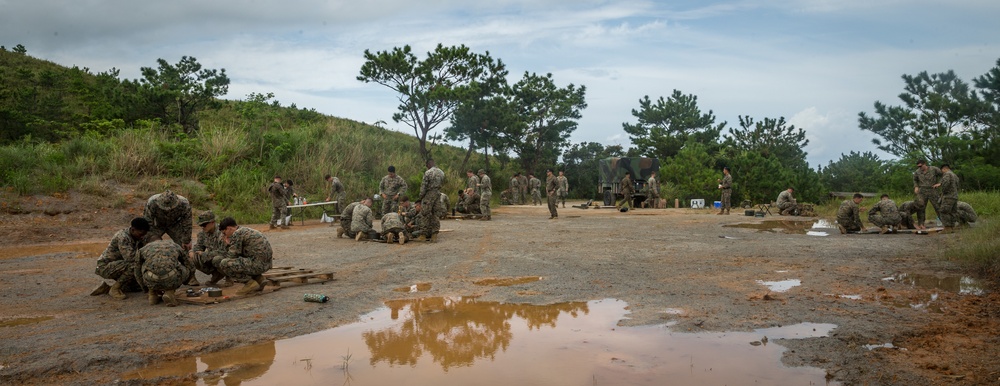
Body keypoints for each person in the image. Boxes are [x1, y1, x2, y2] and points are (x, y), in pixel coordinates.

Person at [143, 190, 195, 285]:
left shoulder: (184, 203)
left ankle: (191, 276)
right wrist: (149, 239)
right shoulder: (152, 202)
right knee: (149, 246)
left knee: (184, 248)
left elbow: (187, 222)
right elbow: (148, 222)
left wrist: (186, 240)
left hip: (175, 225)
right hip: (158, 224)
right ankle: (149, 274)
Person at [92, 217, 150, 300]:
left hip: (118, 265)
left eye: (144, 234)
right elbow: (131, 258)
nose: (142, 237)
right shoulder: (123, 237)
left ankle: (105, 288)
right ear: (133, 229)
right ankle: (114, 289)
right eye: (141, 234)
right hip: (105, 266)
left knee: (138, 287)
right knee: (134, 265)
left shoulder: (136, 236)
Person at [217, 217, 273, 296]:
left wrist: (227, 245)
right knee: (243, 259)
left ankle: (249, 283)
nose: (224, 235)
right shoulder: (245, 230)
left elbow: (231, 256)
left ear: (229, 228)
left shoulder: (237, 234)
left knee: (225, 264)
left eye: (224, 232)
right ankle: (259, 279)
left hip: (258, 265)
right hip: (266, 264)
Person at [138, 240, 189, 307]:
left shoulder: (143, 249)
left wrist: (145, 287)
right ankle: (169, 292)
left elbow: (137, 270)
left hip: (150, 278)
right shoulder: (175, 245)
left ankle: (152, 294)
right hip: (170, 277)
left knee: (144, 266)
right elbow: (189, 264)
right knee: (184, 268)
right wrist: (186, 280)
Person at [190, 211, 231, 288]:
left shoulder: (222, 232)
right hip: (211, 257)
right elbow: (198, 246)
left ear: (212, 222)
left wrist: (204, 254)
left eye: (204, 225)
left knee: (217, 259)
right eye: (201, 225)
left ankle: (229, 277)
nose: (202, 227)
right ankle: (216, 275)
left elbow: (224, 252)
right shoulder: (202, 233)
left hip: (224, 258)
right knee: (193, 257)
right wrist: (192, 252)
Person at [417, 159, 445, 241]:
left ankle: (423, 235)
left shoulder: (428, 173)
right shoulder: (441, 172)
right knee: (435, 214)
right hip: (437, 193)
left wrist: (420, 197)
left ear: (428, 165)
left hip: (429, 194)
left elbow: (424, 186)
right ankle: (434, 235)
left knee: (425, 213)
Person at [912, 159, 943, 229]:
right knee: (921, 207)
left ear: (925, 164)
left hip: (932, 189)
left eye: (921, 166)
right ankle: (921, 224)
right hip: (922, 191)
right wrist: (916, 186)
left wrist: (940, 183)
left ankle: (945, 223)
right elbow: (915, 180)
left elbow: (943, 175)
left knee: (938, 206)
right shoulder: (917, 172)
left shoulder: (934, 169)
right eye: (918, 167)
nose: (920, 168)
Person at [938, 164, 959, 232]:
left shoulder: (947, 174)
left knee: (943, 211)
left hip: (948, 196)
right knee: (952, 212)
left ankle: (947, 228)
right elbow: (957, 185)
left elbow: (945, 184)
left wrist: (943, 192)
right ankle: (952, 227)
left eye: (942, 170)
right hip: (954, 196)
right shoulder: (954, 175)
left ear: (944, 169)